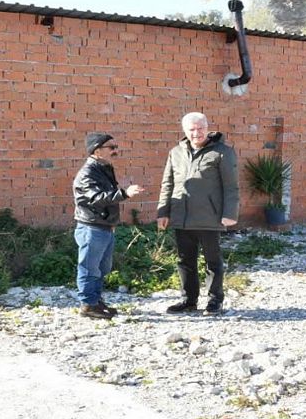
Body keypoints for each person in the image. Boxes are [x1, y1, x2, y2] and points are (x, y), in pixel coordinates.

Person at [157, 112, 239, 316]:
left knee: (212, 261)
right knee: (185, 261)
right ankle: (189, 300)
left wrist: (230, 213)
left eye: (200, 128)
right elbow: (168, 183)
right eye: (191, 129)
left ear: (207, 127)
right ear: (185, 131)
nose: (196, 133)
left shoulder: (222, 152)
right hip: (181, 216)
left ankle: (214, 301)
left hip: (209, 216)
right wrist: (163, 211)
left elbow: (231, 186)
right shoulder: (175, 152)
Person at [73, 132, 144, 319]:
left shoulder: (103, 168)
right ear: (97, 151)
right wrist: (125, 194)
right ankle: (88, 305)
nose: (115, 151)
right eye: (111, 148)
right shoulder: (87, 173)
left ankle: (95, 301)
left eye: (116, 147)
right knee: (89, 267)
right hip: (91, 227)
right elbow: (96, 198)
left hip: (104, 227)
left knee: (101, 268)